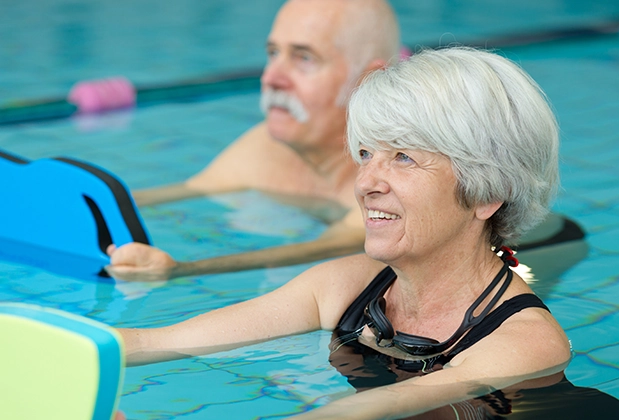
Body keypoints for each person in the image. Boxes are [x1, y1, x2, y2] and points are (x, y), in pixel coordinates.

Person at [65, 48, 619, 420]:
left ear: (488, 192)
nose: (366, 182)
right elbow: (157, 340)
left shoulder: (523, 341)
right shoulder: (344, 285)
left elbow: (352, 412)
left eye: (404, 157)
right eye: (366, 153)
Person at [107, 0, 400, 281]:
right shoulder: (269, 147)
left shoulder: (393, 177)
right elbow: (191, 190)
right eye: (273, 53)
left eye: (304, 58)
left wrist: (181, 269)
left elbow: (327, 248)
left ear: (367, 80)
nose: (271, 77)